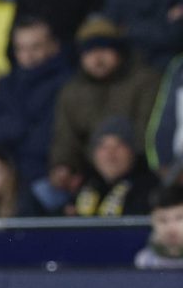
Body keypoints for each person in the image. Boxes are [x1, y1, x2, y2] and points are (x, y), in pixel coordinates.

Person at [43, 16, 160, 213]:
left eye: (104, 49)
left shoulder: (145, 82)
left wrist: (111, 157)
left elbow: (148, 132)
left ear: (119, 51)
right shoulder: (72, 90)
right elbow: (65, 137)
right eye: (89, 52)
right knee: (44, 195)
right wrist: (63, 167)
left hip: (138, 171)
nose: (97, 59)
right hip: (88, 175)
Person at [0, 15, 72, 189]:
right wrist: (21, 125)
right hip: (5, 174)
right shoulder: (7, 84)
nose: (28, 55)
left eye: (36, 47)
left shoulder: (67, 84)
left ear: (53, 46)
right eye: (21, 48)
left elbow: (45, 140)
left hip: (43, 176)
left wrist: (9, 129)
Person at [69, 114, 157, 218]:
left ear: (132, 152)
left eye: (118, 146)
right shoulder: (84, 183)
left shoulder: (150, 189)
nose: (110, 154)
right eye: (103, 146)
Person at [134, 184, 183, 269]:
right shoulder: (143, 261)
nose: (171, 228)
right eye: (162, 220)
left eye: (179, 218)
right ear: (152, 222)